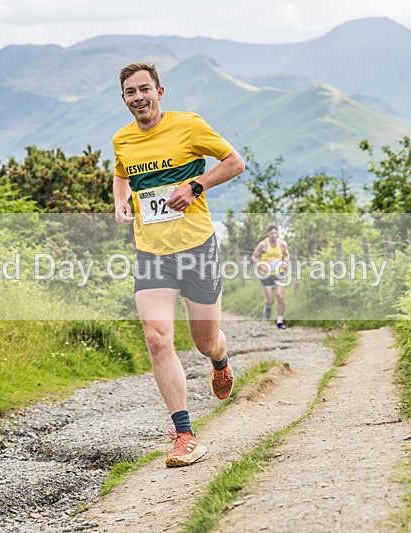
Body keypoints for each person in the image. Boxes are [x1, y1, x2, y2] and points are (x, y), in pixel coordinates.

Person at [112, 62, 245, 467]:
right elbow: (122, 173)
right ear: (124, 99)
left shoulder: (189, 126)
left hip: (196, 247)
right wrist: (119, 199)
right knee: (156, 338)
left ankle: (220, 362)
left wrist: (195, 185)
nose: (139, 98)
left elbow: (235, 162)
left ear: (159, 91)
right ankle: (185, 434)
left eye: (144, 89)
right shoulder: (122, 139)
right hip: (152, 252)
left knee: (205, 341)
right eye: (130, 92)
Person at [251, 224, 291, 329]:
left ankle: (279, 321)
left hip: (279, 273)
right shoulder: (263, 245)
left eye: (275, 232)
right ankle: (268, 306)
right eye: (271, 233)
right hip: (267, 274)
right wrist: (261, 266)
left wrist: (285, 263)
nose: (273, 235)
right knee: (270, 299)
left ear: (278, 233)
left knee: (280, 296)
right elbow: (254, 257)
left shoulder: (282, 244)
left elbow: (287, 255)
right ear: (268, 234)